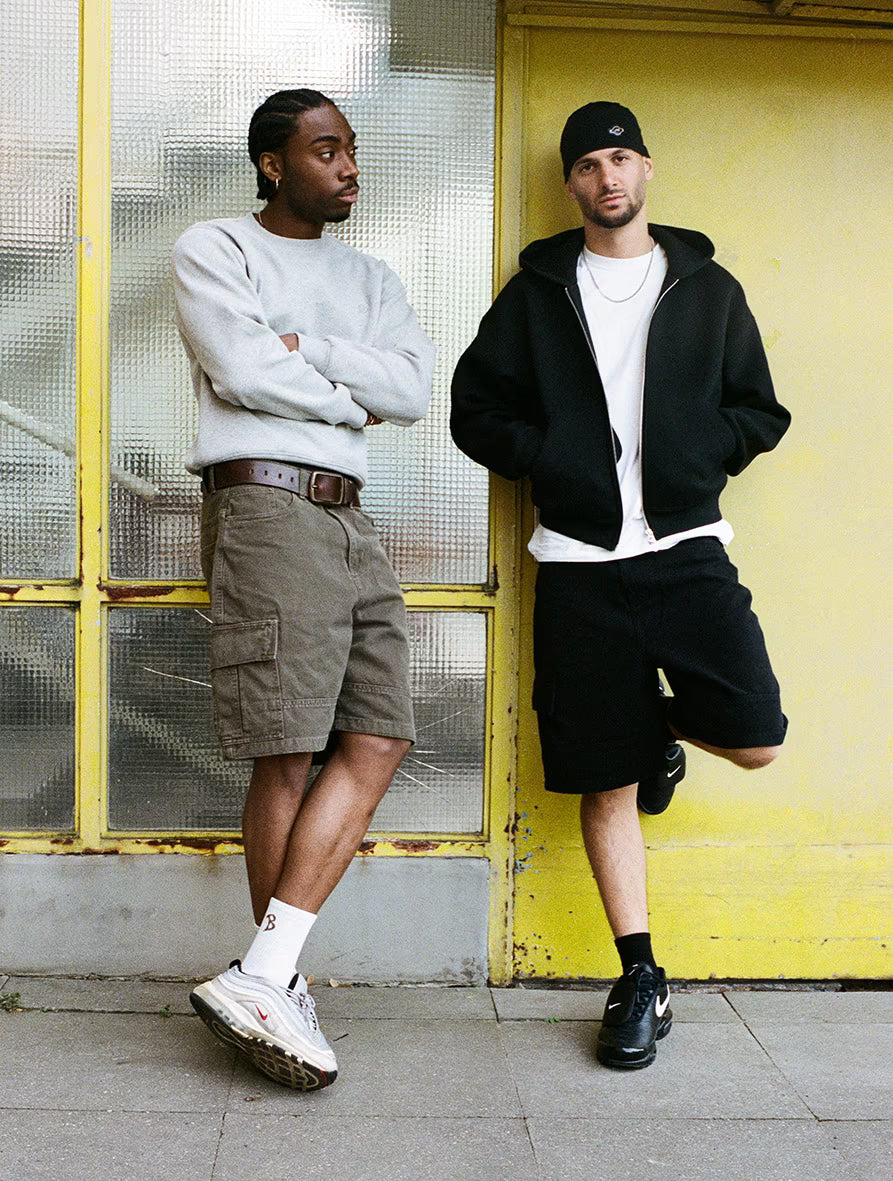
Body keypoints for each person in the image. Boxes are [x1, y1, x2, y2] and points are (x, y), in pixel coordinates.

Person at [450, 102, 789, 1069]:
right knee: (602, 777)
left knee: (757, 736)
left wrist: (699, 457)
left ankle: (660, 735)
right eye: (589, 163)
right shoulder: (534, 295)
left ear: (647, 170)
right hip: (577, 565)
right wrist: (551, 458)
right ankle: (638, 972)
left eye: (621, 158)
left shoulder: (706, 288)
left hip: (684, 547)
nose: (608, 177)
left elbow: (759, 409)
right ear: (570, 184)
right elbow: (473, 409)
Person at [173, 89, 434, 1090]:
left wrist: (311, 351)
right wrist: (343, 391)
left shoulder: (371, 277)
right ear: (274, 163)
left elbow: (409, 390)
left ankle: (266, 972)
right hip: (267, 507)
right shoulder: (216, 247)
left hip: (348, 515)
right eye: (325, 150)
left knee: (379, 731)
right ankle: (276, 979)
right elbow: (238, 370)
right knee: (287, 748)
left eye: (351, 148)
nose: (348, 165)